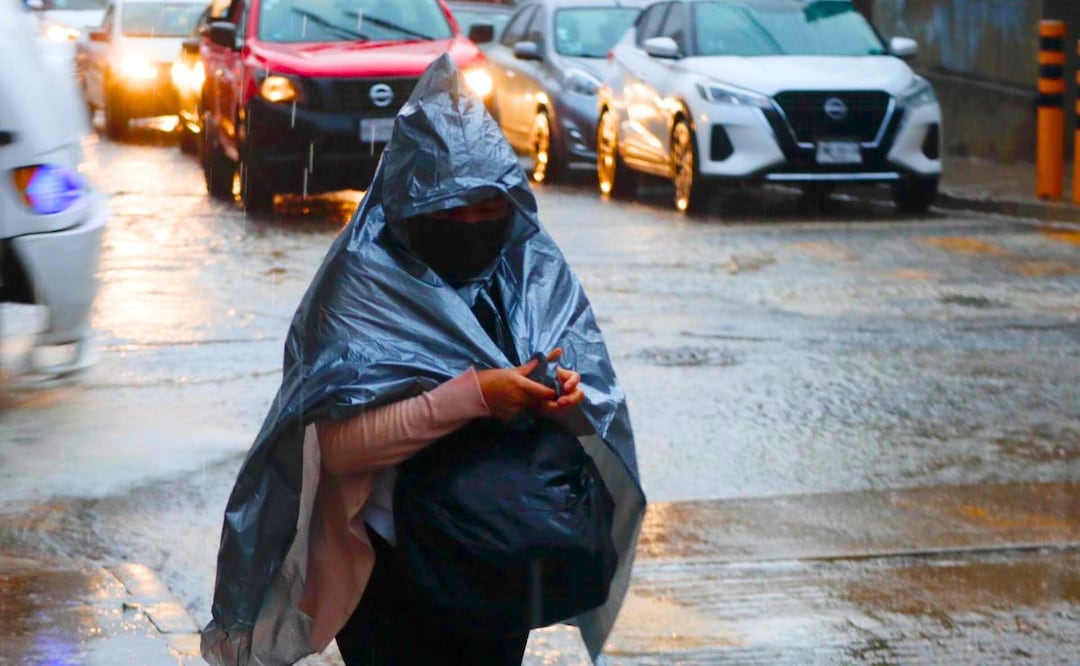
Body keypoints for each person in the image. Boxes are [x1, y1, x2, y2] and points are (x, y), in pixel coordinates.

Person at [201, 54, 646, 666]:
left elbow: (587, 418)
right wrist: (477, 396)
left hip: (497, 560)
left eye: (486, 209)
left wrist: (564, 401)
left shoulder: (529, 269)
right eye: (450, 211)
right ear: (408, 204)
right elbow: (337, 450)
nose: (471, 225)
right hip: (386, 576)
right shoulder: (363, 281)